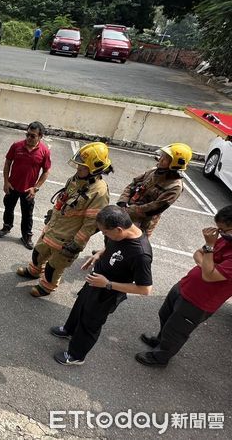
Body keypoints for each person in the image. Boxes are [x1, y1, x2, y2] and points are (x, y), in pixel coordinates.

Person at [51, 205, 153, 365]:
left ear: (119, 229)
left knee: (90, 323)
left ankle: (76, 356)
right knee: (80, 306)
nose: (105, 235)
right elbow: (113, 246)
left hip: (107, 293)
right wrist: (99, 254)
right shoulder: (122, 234)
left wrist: (108, 284)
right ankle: (69, 330)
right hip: (95, 281)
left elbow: (145, 289)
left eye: (106, 232)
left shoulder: (141, 254)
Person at [136, 205, 232, 367]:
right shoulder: (224, 239)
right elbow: (198, 254)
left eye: (223, 230)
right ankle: (160, 341)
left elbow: (209, 275)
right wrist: (206, 264)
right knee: (165, 315)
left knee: (176, 331)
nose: (218, 233)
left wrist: (209, 249)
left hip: (199, 301)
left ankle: (160, 357)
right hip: (185, 286)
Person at [16, 142, 112, 297]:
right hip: (53, 229)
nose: (78, 169)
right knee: (38, 252)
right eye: (78, 165)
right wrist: (52, 213)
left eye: (82, 167)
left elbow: (91, 224)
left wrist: (76, 244)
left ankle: (47, 286)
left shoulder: (99, 192)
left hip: (67, 239)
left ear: (94, 169)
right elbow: (64, 199)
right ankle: (33, 271)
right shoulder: (75, 179)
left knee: (54, 266)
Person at [0, 121, 51, 249]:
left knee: (27, 214)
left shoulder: (44, 151)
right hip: (12, 186)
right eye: (27, 134)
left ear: (40, 136)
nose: (29, 138)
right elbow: (7, 163)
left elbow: (46, 171)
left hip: (28, 190)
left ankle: (26, 236)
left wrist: (35, 188)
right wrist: (6, 181)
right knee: (8, 208)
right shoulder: (16, 146)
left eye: (33, 136)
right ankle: (7, 226)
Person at [117, 143, 191, 237]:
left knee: (129, 246)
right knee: (114, 236)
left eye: (165, 159)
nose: (160, 159)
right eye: (162, 156)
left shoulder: (175, 187)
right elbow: (133, 184)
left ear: (174, 164)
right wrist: (123, 201)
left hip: (142, 223)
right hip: (127, 212)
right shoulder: (153, 171)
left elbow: (154, 208)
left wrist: (126, 211)